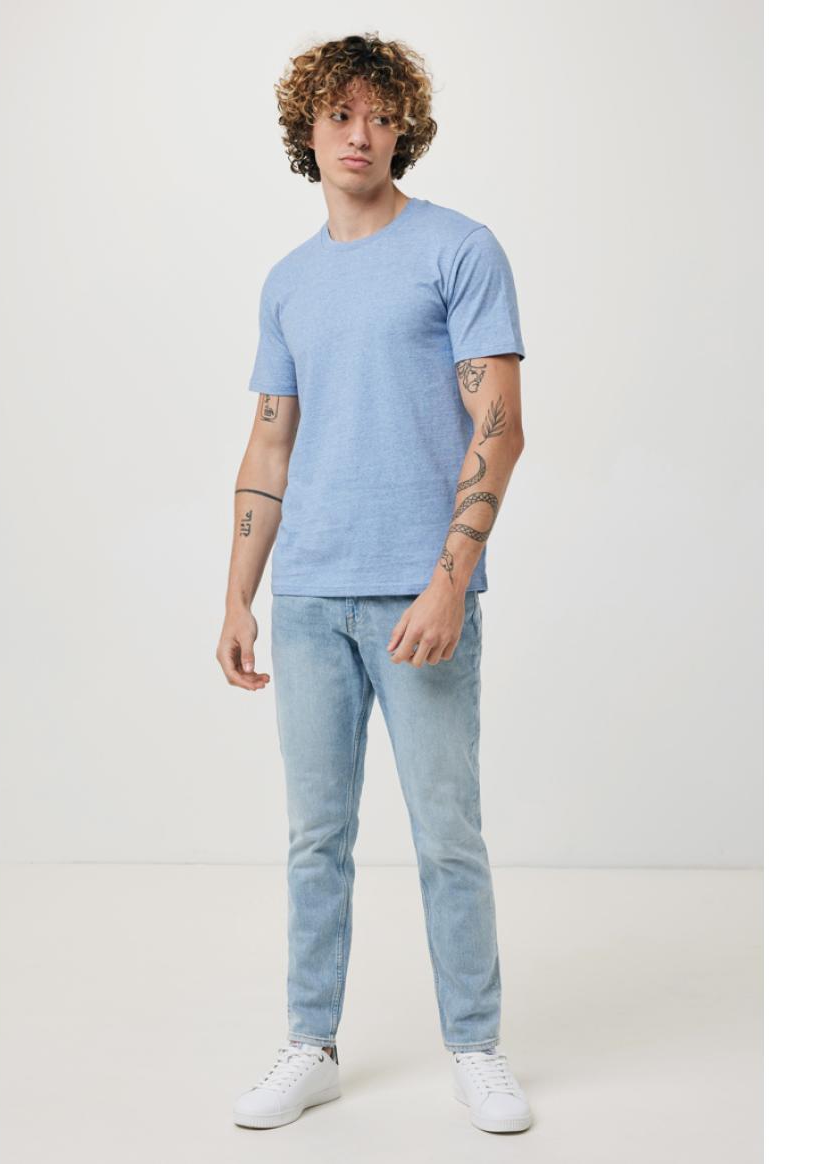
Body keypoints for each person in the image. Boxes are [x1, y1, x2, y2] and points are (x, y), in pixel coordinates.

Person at [216, 32, 532, 1134]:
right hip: (308, 600)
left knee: (447, 833)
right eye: (341, 113)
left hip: (419, 595)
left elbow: (500, 429)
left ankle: (477, 1047)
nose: (361, 133)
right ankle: (311, 1044)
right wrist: (238, 594)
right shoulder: (289, 283)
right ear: (307, 130)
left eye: (381, 115)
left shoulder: (459, 250)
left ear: (405, 129)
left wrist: (450, 582)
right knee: (316, 837)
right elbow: (270, 443)